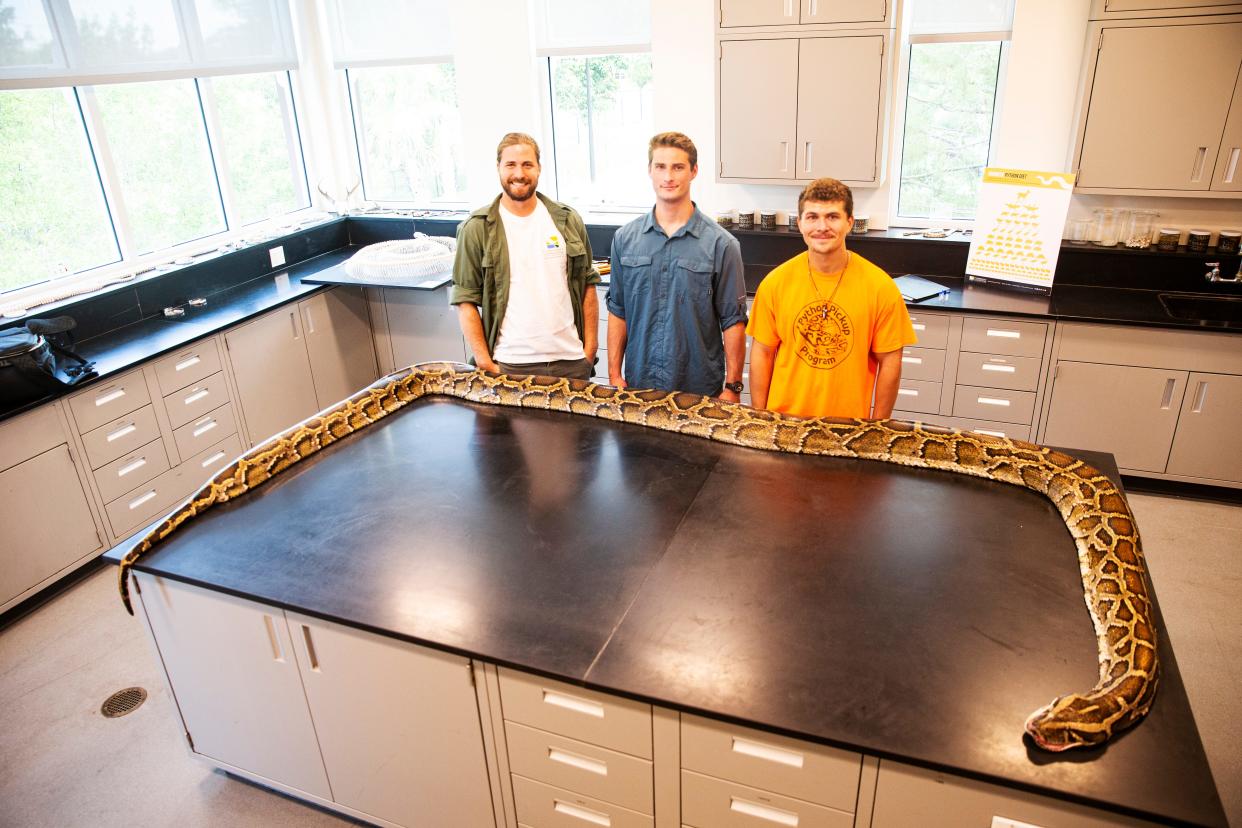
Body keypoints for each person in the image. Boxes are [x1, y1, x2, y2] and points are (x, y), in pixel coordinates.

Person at [747, 177, 915, 419]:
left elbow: (890, 362)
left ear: (849, 222)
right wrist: (760, 418)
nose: (822, 226)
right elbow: (762, 353)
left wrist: (878, 428)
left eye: (833, 217)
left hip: (848, 428)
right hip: (784, 423)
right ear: (801, 223)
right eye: (812, 217)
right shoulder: (774, 284)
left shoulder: (880, 287)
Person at [606, 132, 748, 401]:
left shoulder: (722, 245)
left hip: (700, 392)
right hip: (639, 387)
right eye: (660, 166)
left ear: (693, 171)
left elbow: (733, 321)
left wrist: (733, 387)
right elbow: (618, 310)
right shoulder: (625, 239)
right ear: (650, 170)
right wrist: (614, 374)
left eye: (678, 167)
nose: (668, 176)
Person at [451, 132, 599, 380]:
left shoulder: (568, 220)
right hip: (510, 365)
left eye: (527, 164)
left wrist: (589, 350)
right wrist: (485, 363)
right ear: (498, 168)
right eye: (510, 164)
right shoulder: (476, 228)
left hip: (570, 362)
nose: (519, 173)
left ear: (539, 169)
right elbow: (465, 300)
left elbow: (587, 286)